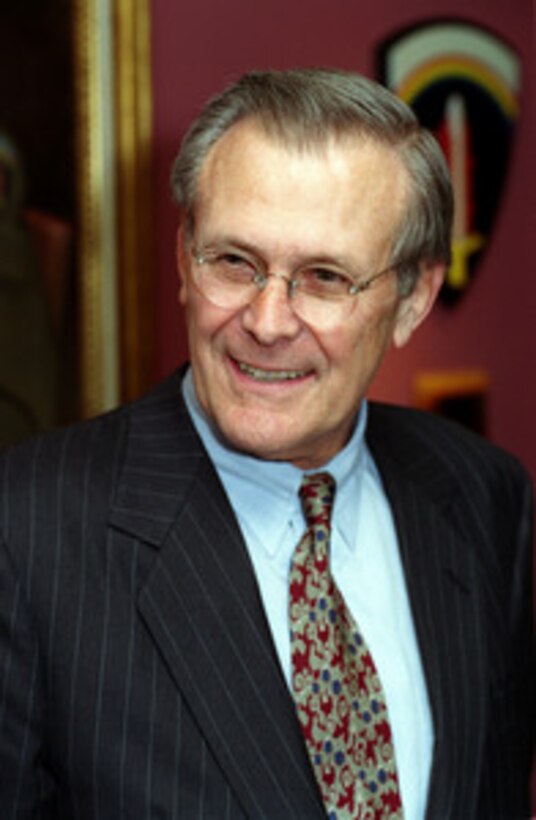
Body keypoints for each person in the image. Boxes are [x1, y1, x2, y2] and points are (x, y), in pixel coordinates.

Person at [0, 68, 532, 820]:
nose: (269, 321)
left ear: (412, 297)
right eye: (235, 263)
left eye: (324, 277)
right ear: (186, 259)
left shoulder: (482, 493)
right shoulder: (26, 533)